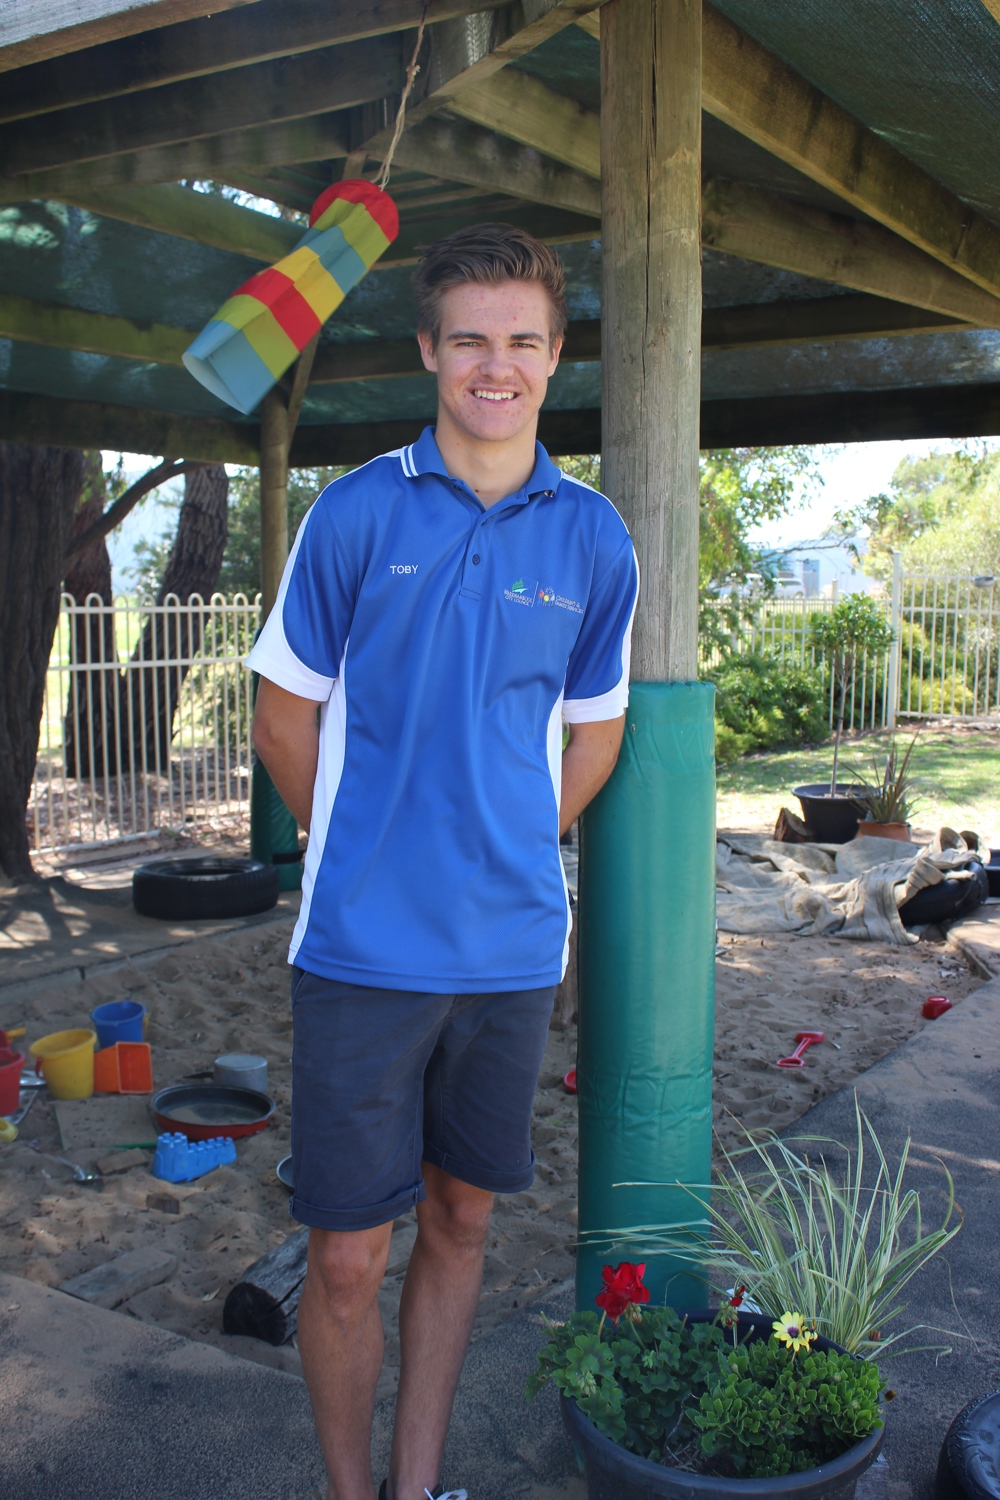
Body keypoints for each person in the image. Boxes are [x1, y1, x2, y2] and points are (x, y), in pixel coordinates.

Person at [248, 222, 639, 1500]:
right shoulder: (357, 511)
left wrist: (520, 836)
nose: (495, 364)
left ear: (553, 355)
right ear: (427, 348)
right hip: (362, 950)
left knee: (464, 1220)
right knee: (349, 1254)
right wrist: (354, 846)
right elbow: (282, 712)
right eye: (468, 337)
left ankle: (418, 1489)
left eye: (521, 341)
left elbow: (599, 728)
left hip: (512, 952)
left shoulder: (592, 538)